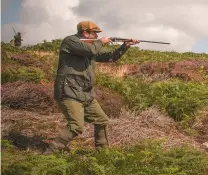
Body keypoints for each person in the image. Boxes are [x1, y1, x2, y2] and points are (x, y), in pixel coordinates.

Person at [43, 21, 140, 154]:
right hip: (69, 91)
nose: (96, 36)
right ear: (85, 33)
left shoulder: (89, 48)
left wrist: (125, 45)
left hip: (85, 93)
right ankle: (50, 153)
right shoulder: (70, 41)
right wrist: (102, 42)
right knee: (76, 126)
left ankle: (103, 154)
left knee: (102, 120)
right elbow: (91, 50)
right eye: (94, 33)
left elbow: (110, 58)